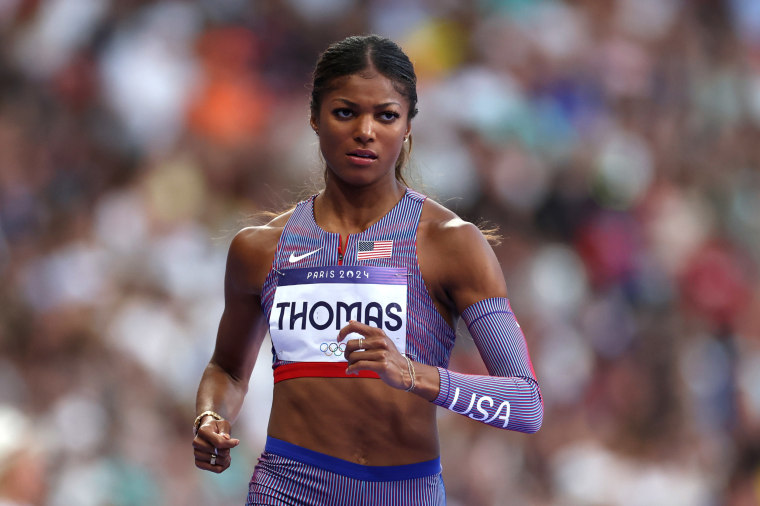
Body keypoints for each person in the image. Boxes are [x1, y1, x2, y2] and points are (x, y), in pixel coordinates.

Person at [192, 34, 543, 505]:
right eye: (345, 112)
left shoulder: (451, 244)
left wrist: (414, 374)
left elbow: (525, 404)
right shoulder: (260, 249)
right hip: (289, 488)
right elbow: (228, 370)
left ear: (408, 128)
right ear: (314, 118)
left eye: (386, 115)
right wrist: (210, 417)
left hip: (405, 492)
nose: (365, 131)